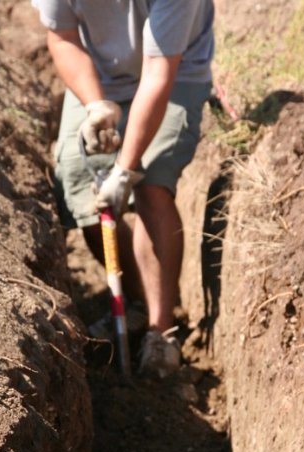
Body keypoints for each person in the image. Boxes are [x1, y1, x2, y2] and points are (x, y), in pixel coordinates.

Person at [33, 0, 215, 378]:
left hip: (176, 74)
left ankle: (161, 330)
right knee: (80, 187)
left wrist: (124, 170)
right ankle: (136, 301)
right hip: (100, 77)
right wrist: (95, 104)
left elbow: (159, 74)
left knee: (151, 185)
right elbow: (63, 36)